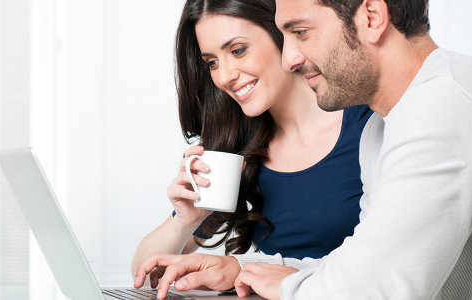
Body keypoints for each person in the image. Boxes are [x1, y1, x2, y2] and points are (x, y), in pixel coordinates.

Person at [137, 0, 472, 299]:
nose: (291, 57)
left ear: (371, 16)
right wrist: (240, 268)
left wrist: (277, 283)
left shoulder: (441, 104)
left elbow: (372, 287)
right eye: (212, 61)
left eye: (300, 32)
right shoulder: (381, 127)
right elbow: (357, 267)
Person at [131, 0, 372, 296]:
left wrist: (241, 267)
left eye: (237, 50)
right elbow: (146, 275)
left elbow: (389, 264)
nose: (224, 77)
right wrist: (185, 221)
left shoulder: (368, 124)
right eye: (212, 62)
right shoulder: (239, 153)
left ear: (281, 33)